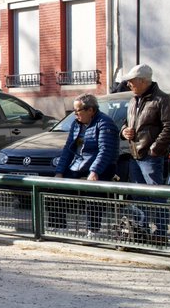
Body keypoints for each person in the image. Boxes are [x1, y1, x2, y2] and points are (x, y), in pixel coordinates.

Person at [119, 64, 170, 244]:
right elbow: (126, 123)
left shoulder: (162, 100)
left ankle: (161, 232)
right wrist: (124, 131)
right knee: (139, 195)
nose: (128, 84)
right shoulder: (133, 100)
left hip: (150, 157)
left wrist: (154, 150)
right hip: (135, 155)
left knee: (156, 196)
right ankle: (141, 229)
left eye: (131, 81)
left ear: (143, 81)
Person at [47, 94, 119, 233]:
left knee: (94, 192)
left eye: (77, 111)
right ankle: (59, 226)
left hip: (102, 167)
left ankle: (93, 230)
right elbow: (68, 149)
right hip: (79, 164)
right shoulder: (76, 124)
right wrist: (59, 172)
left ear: (90, 110)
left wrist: (94, 171)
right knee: (56, 188)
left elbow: (105, 151)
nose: (75, 114)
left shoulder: (105, 123)